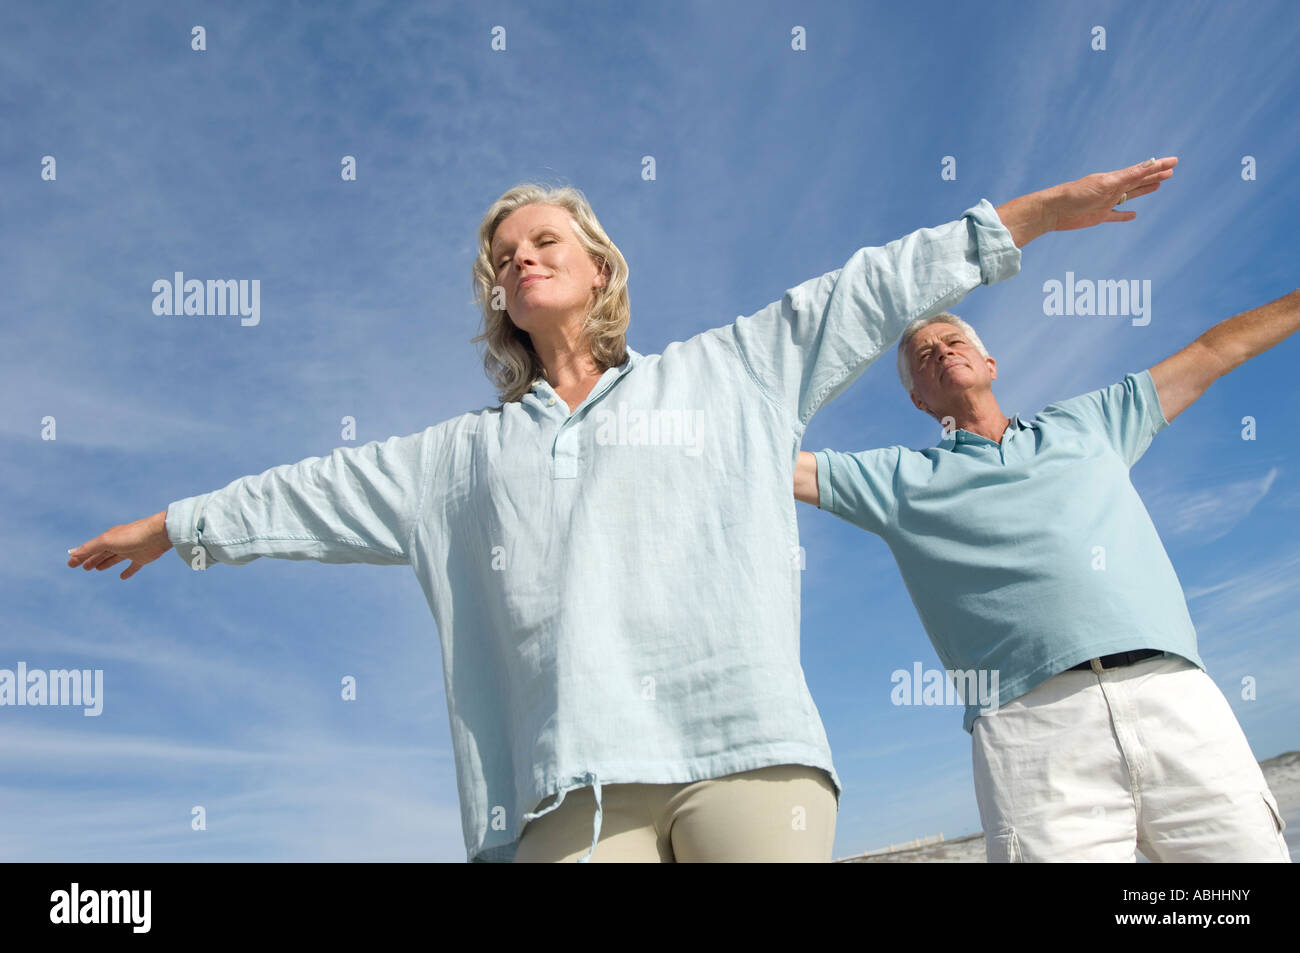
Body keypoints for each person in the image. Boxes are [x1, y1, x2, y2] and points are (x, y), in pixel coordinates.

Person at [66, 158, 1177, 862]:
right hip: (569, 794)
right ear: (496, 299)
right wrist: (182, 521)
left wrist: (1024, 219)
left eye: (544, 241)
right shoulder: (454, 457)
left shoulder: (728, 371)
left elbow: (868, 287)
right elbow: (310, 488)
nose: (521, 259)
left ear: (598, 266)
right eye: (504, 258)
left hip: (749, 756)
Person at [794, 287, 1298, 862]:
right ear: (918, 400)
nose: (939, 350)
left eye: (952, 341)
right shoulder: (896, 480)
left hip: (1173, 696)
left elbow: (1215, 349)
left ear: (989, 364)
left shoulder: (1091, 422)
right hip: (1030, 733)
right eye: (923, 355)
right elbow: (777, 468)